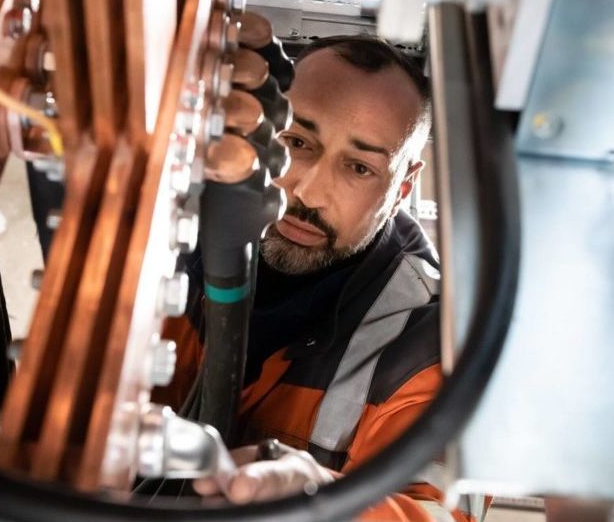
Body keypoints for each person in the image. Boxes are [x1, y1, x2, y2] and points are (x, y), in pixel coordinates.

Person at [152, 36, 480, 522]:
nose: (308, 191)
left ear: (403, 186)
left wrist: (322, 497)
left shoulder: (432, 348)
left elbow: (445, 513)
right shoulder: (163, 248)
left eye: (359, 167)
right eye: (298, 143)